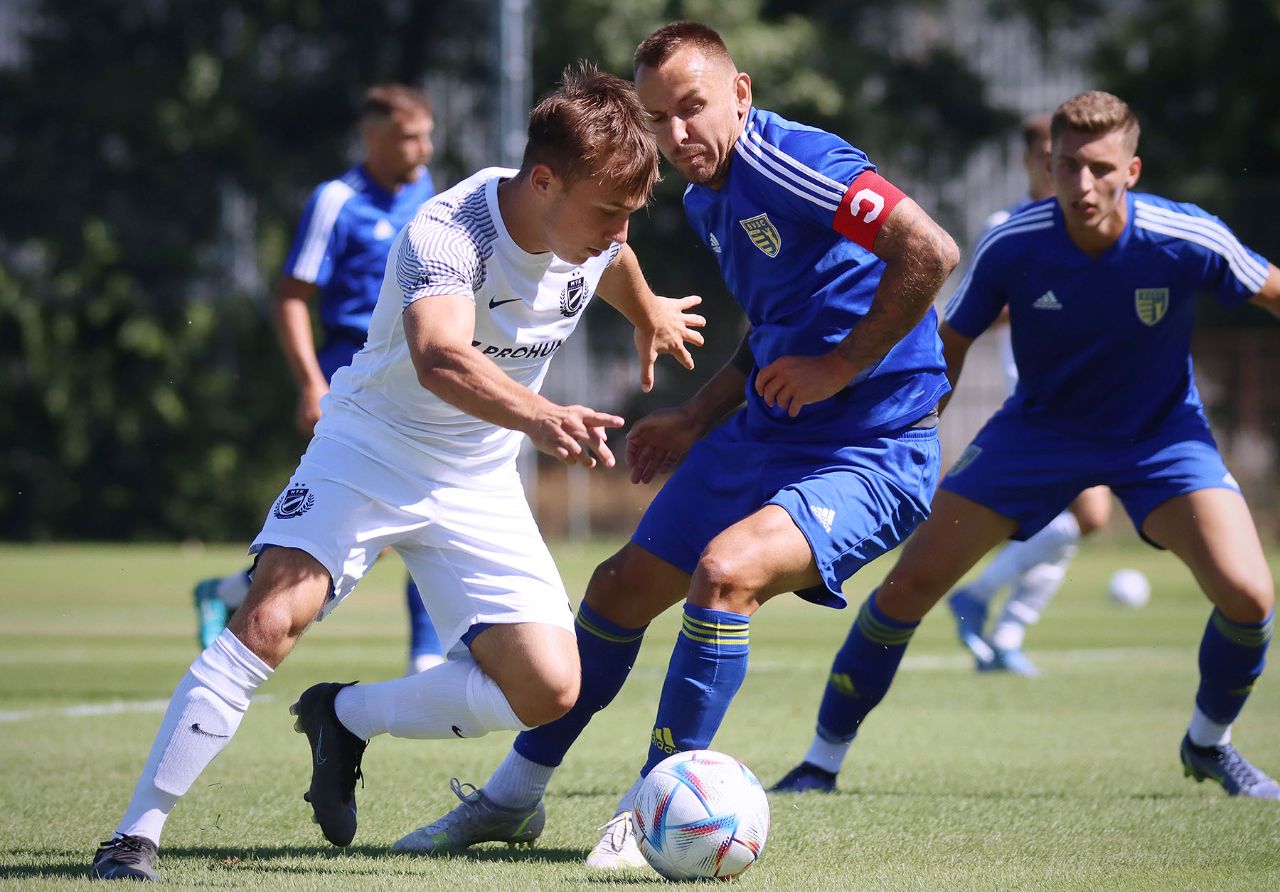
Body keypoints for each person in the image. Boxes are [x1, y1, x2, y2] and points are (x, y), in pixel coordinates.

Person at [87, 61, 706, 881]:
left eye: (632, 213)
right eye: (609, 211)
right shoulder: (447, 231)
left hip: (476, 477)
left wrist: (650, 309)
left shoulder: (591, 230)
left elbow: (612, 261)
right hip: (371, 450)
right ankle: (134, 835)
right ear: (544, 182)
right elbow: (438, 357)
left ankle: (344, 717)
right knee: (269, 621)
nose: (620, 232)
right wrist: (541, 416)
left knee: (551, 688)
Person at [392, 21, 959, 868]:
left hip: (875, 447)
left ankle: (651, 810)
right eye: (658, 118)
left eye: (694, 107)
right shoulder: (705, 199)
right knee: (617, 589)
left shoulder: (793, 162)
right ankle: (509, 799)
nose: (678, 133)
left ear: (742, 94)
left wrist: (839, 367)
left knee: (726, 575)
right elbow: (776, 329)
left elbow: (931, 251)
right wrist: (695, 417)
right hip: (770, 432)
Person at [771, 90, 1280, 799]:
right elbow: (950, 342)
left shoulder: (1184, 235)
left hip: (1161, 436)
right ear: (1048, 166)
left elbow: (1271, 290)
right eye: (1068, 166)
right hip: (1037, 433)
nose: (1082, 184)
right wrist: (915, 436)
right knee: (907, 588)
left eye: (1100, 169)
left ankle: (1208, 743)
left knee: (1250, 596)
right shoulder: (1014, 242)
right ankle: (819, 764)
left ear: (1132, 171)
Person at [192, 83, 447, 674]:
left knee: (423, 500)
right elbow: (291, 296)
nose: (424, 148)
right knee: (353, 517)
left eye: (427, 135)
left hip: (414, 370)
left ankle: (427, 653)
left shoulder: (430, 192)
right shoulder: (336, 201)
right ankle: (238, 594)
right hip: (351, 369)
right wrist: (312, 382)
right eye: (409, 137)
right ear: (372, 136)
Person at [944, 113, 1116, 678]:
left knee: (1063, 524)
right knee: (1091, 513)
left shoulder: (1093, 224)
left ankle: (1007, 631)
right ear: (1029, 161)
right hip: (1039, 390)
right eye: (1051, 154)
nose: (1061, 166)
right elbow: (977, 309)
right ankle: (979, 595)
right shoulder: (1007, 225)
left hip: (1092, 385)